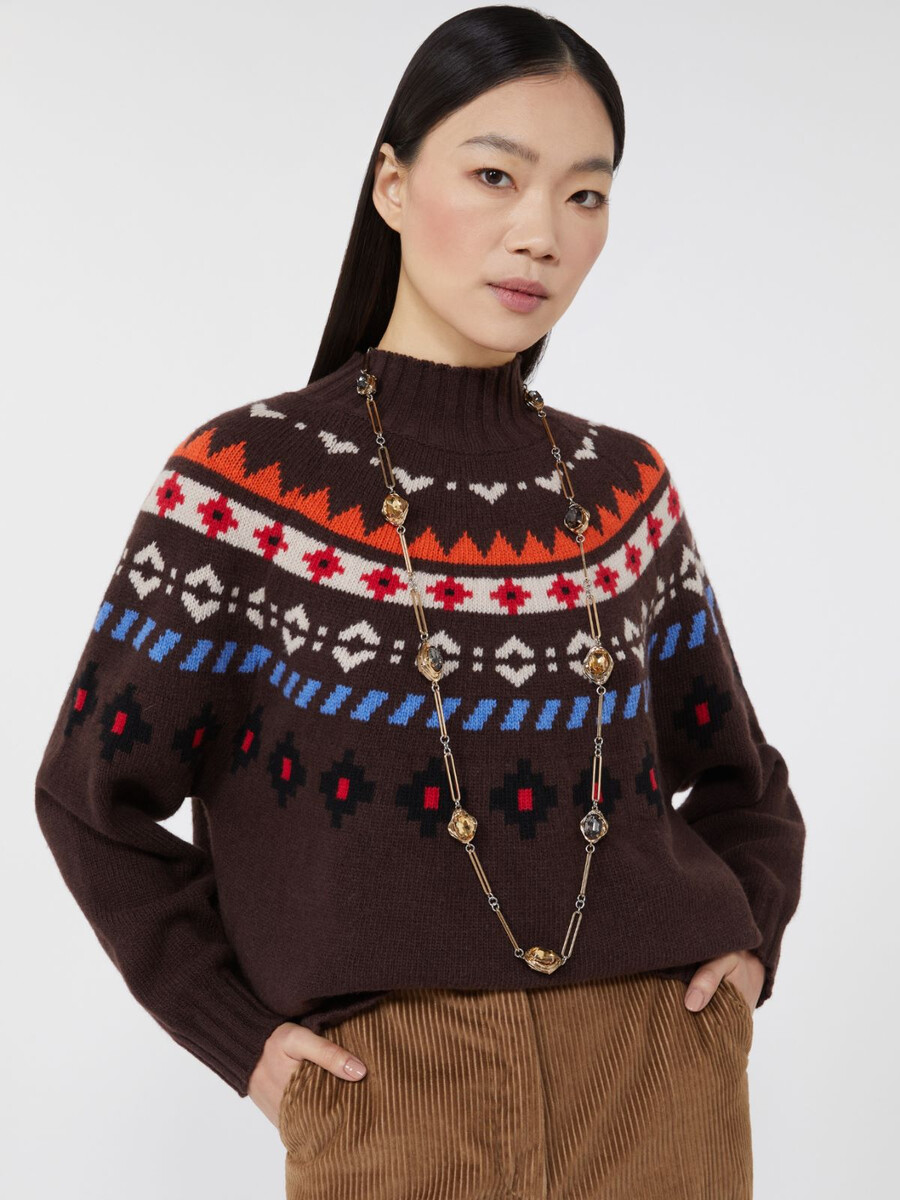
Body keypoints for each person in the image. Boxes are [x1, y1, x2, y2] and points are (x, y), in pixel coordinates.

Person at [34, 6, 805, 1197]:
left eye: (585, 195)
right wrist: (240, 1039)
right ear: (391, 184)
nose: (540, 232)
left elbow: (743, 782)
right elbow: (90, 798)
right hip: (387, 1097)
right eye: (496, 175)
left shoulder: (622, 489)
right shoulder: (247, 485)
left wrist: (744, 952)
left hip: (660, 1079)